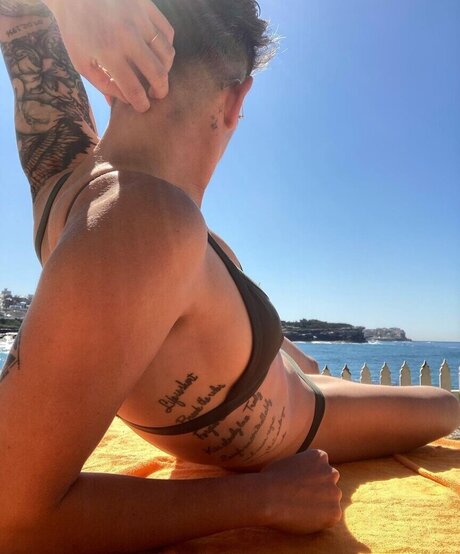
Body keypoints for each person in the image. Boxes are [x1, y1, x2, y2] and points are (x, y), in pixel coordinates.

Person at [0, 1, 458, 552]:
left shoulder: (65, 176)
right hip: (307, 417)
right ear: (236, 101)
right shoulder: (145, 222)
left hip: (288, 372)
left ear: (110, 69)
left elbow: (18, 19)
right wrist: (263, 499)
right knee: (445, 405)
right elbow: (13, 517)